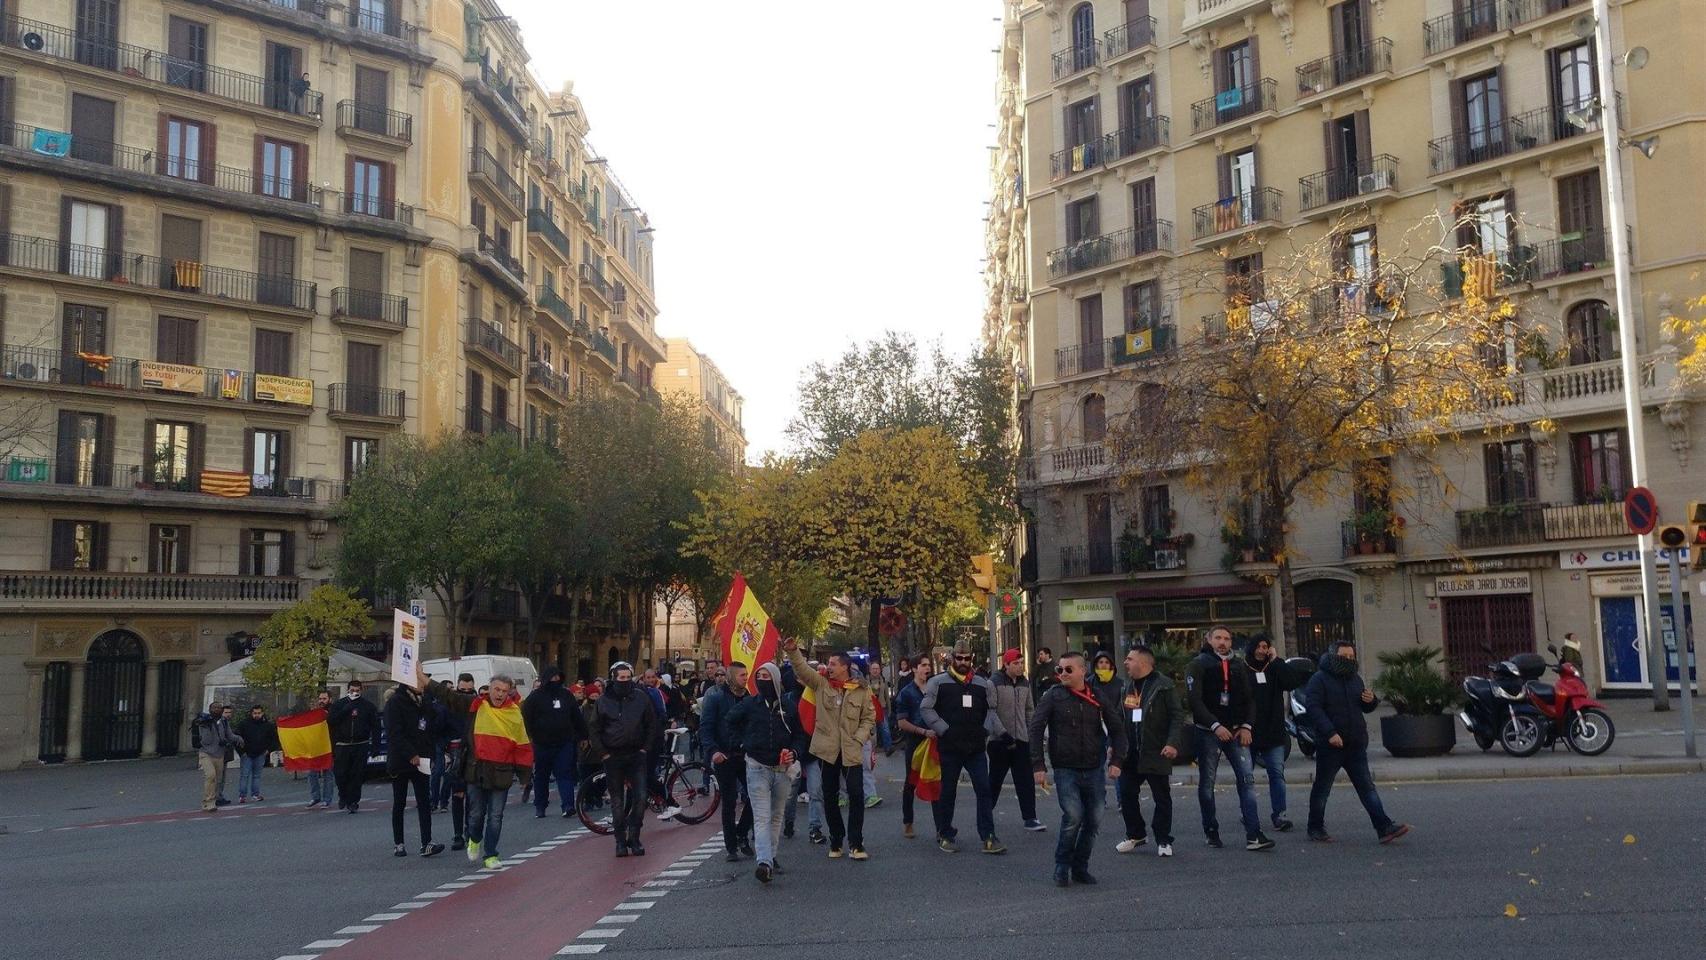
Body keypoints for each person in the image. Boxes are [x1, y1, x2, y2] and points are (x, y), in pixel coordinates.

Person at [1030, 651, 1126, 887]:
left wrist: (1117, 762)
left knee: (1094, 819)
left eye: (1068, 670)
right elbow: (1036, 728)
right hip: (1065, 768)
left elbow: (1117, 728)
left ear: (1083, 671)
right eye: (1059, 670)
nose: (1062, 673)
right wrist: (1038, 764)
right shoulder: (1053, 696)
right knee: (1073, 816)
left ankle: (1080, 867)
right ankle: (1062, 866)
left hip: (1094, 767)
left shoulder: (1097, 695)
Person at [1303, 640, 1410, 845]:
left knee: (1366, 786)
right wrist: (1330, 733)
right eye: (1344, 656)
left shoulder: (1355, 678)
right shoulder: (1319, 679)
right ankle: (1315, 827)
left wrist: (1371, 701)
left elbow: (1364, 707)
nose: (1349, 660)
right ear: (1334, 656)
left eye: (1352, 656)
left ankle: (1384, 827)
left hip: (1355, 743)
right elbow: (1314, 708)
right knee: (1322, 788)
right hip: (1331, 744)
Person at [429, 670, 533, 867]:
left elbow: (522, 746)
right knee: (476, 815)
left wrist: (525, 776)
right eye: (496, 689)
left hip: (501, 773)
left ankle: (491, 854)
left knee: (496, 816)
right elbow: (448, 696)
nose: (500, 694)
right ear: (490, 688)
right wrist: (425, 680)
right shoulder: (477, 705)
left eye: (504, 690)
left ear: (509, 692)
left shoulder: (514, 714)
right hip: (476, 770)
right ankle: (474, 839)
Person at [1184, 625, 1272, 851]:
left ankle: (1254, 834)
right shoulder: (1198, 664)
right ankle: (1211, 830)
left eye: (1227, 639)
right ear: (1209, 639)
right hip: (1208, 733)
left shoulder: (1237, 665)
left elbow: (1250, 699)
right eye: (1218, 638)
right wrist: (1215, 725)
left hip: (1236, 731)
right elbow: (1195, 701)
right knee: (1207, 783)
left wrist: (1247, 726)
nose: (1223, 642)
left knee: (1247, 780)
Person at [785, 638, 874, 860]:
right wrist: (793, 651)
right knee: (829, 795)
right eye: (829, 664)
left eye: (834, 664)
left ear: (845, 666)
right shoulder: (821, 684)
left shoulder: (861, 690)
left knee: (856, 794)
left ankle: (856, 842)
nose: (829, 667)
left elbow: (869, 717)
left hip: (851, 750)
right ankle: (836, 840)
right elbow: (803, 670)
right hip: (827, 751)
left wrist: (859, 739)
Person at [921, 640, 1008, 855]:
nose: (962, 662)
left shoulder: (983, 684)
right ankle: (945, 833)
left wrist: (991, 731)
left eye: (966, 658)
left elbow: (991, 711)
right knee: (947, 792)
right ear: (952, 658)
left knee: (984, 790)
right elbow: (926, 709)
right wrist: (944, 730)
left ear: (972, 659)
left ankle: (988, 836)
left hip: (976, 749)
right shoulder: (937, 683)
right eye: (958, 658)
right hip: (950, 748)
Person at [729, 662, 797, 883]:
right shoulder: (749, 704)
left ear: (776, 679)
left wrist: (794, 753)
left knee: (776, 815)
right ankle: (764, 862)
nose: (763, 681)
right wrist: (742, 744)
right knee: (761, 816)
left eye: (768, 676)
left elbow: (800, 735)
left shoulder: (788, 706)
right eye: (760, 676)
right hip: (757, 767)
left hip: (782, 770)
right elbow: (730, 721)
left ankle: (771, 856)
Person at [1115, 644, 1183, 858]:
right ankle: (1136, 834)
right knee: (1126, 794)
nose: (1125, 663)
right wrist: (1115, 746)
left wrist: (1172, 743)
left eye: (1129, 659)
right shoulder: (1127, 687)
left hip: (1156, 750)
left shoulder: (1164, 686)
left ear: (1143, 662)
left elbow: (1176, 716)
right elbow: (1119, 718)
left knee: (1161, 797)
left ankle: (1163, 839)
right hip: (1131, 753)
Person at [589, 662, 660, 857]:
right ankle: (620, 841)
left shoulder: (641, 698)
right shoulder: (603, 701)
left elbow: (651, 724)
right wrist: (603, 753)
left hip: (637, 754)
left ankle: (635, 838)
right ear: (613, 678)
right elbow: (594, 729)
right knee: (617, 802)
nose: (625, 681)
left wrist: (645, 748)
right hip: (613, 756)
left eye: (628, 678)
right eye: (621, 678)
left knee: (640, 798)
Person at [1246, 633, 1304, 833]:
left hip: (1274, 732)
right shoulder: (1243, 669)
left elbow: (1292, 681)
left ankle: (1279, 814)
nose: (1262, 650)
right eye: (1259, 646)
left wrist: (1276, 660)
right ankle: (1248, 813)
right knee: (1246, 776)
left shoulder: (1274, 668)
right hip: (1249, 732)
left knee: (1277, 774)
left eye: (1265, 646)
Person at [384, 676, 446, 858]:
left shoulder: (424, 701)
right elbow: (394, 733)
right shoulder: (395, 702)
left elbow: (431, 728)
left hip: (423, 759)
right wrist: (411, 754)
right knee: (400, 802)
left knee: (424, 801)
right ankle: (399, 843)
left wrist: (430, 755)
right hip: (402, 760)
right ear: (409, 683)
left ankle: (426, 843)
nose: (423, 685)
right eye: (420, 682)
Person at [700, 663, 756, 861]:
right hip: (724, 756)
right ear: (732, 677)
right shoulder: (716, 699)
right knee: (729, 802)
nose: (745, 678)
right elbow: (705, 728)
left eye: (747, 674)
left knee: (755, 796)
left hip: (746, 756)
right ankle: (731, 847)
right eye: (742, 675)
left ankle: (742, 833)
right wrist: (713, 750)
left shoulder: (749, 698)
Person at [988, 649, 1043, 832]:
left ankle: (1030, 817)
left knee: (1025, 780)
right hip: (999, 740)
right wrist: (1002, 733)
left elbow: (1029, 710)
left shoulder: (1025, 684)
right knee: (995, 779)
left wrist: (1030, 732)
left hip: (1021, 739)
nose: (1020, 667)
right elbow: (991, 711)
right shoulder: (994, 682)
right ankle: (986, 814)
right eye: (1016, 663)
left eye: (1021, 663)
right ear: (1006, 665)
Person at [523, 666, 587, 820]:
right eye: (552, 678)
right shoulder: (534, 698)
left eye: (558, 678)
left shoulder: (566, 695)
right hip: (541, 743)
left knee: (565, 774)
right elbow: (526, 719)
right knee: (541, 776)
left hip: (564, 742)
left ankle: (568, 805)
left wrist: (584, 735)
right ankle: (540, 805)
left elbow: (576, 717)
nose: (555, 681)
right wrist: (530, 737)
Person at [780, 664, 824, 843]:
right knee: (790, 794)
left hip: (813, 752)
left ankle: (815, 828)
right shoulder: (788, 699)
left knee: (815, 791)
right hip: (794, 752)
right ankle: (789, 822)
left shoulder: (816, 696)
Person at [892, 656, 934, 839]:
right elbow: (901, 722)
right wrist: (922, 731)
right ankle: (908, 821)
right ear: (915, 669)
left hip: (934, 741)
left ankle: (942, 826)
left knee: (935, 782)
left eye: (929, 665)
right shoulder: (906, 693)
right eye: (924, 665)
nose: (928, 668)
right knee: (911, 782)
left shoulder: (934, 689)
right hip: (916, 742)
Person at [327, 680, 379, 813]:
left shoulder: (368, 706)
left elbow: (375, 727)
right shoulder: (339, 704)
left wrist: (375, 746)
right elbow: (331, 721)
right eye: (352, 690)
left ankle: (353, 801)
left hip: (360, 744)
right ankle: (343, 795)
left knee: (356, 775)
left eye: (357, 690)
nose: (354, 693)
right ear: (348, 690)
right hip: (342, 745)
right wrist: (344, 711)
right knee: (340, 773)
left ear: (361, 691)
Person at [443, 673, 477, 847]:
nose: (465, 694)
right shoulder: (448, 705)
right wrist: (445, 749)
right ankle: (458, 834)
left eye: (469, 691)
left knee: (473, 796)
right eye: (462, 690)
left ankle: (469, 830)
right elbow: (439, 729)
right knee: (457, 794)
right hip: (456, 754)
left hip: (474, 754)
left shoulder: (479, 705)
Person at [190, 703, 240, 813]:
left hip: (219, 754)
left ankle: (214, 799)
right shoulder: (204, 722)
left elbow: (230, 735)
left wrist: (239, 739)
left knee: (218, 779)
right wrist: (208, 726)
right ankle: (208, 802)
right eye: (214, 708)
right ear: (210, 709)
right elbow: (205, 740)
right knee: (210, 775)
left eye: (218, 708)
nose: (216, 710)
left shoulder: (224, 722)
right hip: (206, 753)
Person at [235, 705, 279, 803]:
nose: (257, 715)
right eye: (255, 713)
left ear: (262, 713)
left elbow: (274, 739)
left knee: (256, 776)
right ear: (251, 713)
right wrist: (242, 753)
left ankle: (255, 794)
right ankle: (242, 796)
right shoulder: (244, 724)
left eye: (259, 713)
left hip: (260, 753)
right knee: (245, 775)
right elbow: (237, 739)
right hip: (247, 753)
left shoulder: (268, 725)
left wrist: (268, 750)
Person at [306, 690, 335, 808]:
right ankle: (315, 797)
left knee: (328, 774)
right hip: (315, 747)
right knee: (312, 774)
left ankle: (327, 799)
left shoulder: (333, 711)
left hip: (328, 747)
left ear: (330, 699)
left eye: (324, 699)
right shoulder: (315, 712)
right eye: (320, 699)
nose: (321, 701)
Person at [215, 704, 239, 805]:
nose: (228, 715)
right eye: (226, 712)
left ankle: (219, 795)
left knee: (223, 776)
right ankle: (216, 797)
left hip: (226, 751)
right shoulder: (218, 722)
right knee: (218, 776)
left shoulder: (226, 722)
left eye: (229, 713)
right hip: (218, 752)